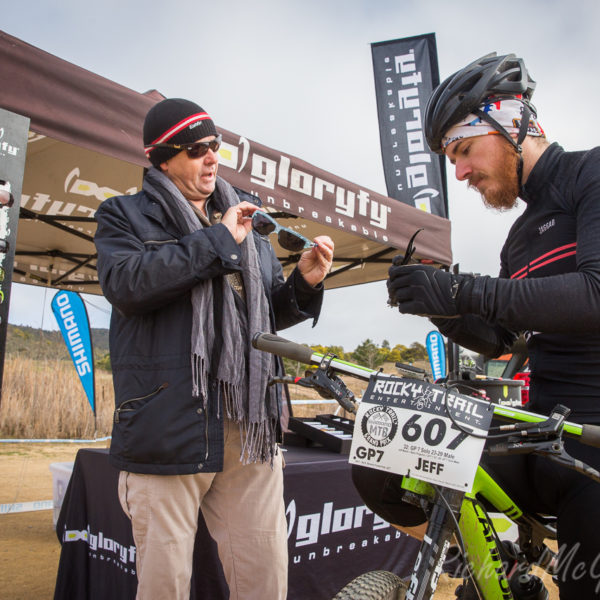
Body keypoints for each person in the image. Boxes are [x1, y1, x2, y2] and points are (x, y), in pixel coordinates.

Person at [354, 53, 600, 598]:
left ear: (512, 121)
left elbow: (593, 294)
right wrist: (442, 309)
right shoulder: (519, 237)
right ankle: (494, 573)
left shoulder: (593, 173)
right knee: (383, 468)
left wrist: (464, 290)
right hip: (538, 436)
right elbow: (507, 340)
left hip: (594, 440)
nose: (460, 173)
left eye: (464, 150)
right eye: (452, 160)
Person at [94, 97, 334, 600]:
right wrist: (218, 240)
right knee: (165, 586)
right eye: (196, 149)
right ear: (163, 158)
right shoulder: (124, 215)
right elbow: (128, 285)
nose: (212, 157)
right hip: (168, 423)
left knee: (264, 578)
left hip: (249, 425)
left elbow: (264, 314)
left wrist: (304, 285)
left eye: (215, 145)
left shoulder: (246, 221)